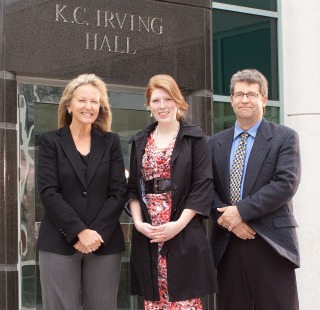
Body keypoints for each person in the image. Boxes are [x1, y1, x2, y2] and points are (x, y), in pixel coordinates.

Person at [208, 69, 301, 310]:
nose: (244, 100)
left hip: (270, 241)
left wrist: (241, 211)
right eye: (239, 94)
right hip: (228, 242)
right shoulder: (214, 143)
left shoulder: (284, 137)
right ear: (231, 100)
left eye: (251, 94)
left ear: (264, 100)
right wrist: (229, 220)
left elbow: (286, 183)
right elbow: (206, 188)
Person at [37, 73, 127, 310]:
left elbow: (118, 191)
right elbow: (48, 192)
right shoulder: (50, 142)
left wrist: (95, 232)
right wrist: (78, 231)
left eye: (94, 101)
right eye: (82, 100)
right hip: (58, 242)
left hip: (103, 243)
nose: (89, 107)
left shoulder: (111, 142)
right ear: (69, 105)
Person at [127, 74, 217, 309]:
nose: (162, 106)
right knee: (154, 301)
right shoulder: (139, 141)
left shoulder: (194, 138)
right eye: (156, 100)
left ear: (178, 102)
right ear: (149, 105)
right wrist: (138, 223)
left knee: (183, 301)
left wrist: (176, 226)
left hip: (182, 230)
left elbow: (203, 186)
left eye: (168, 99)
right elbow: (132, 190)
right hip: (149, 233)